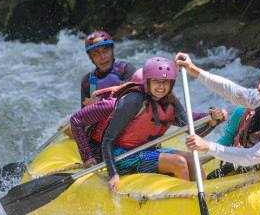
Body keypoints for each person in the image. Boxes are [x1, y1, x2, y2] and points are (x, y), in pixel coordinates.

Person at [69, 56, 225, 190]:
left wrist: (212, 121)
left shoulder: (170, 103)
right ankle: (182, 200)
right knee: (178, 162)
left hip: (146, 151)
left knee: (191, 159)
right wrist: (109, 171)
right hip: (121, 155)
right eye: (156, 82)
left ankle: (208, 196)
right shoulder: (131, 101)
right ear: (146, 82)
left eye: (166, 82)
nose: (161, 87)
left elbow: (193, 132)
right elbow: (106, 140)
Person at [176, 53, 260, 174]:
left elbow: (251, 156)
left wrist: (207, 146)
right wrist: (192, 69)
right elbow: (229, 90)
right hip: (257, 162)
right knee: (215, 176)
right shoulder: (258, 99)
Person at [80, 30, 136, 105]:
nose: (102, 57)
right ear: (90, 57)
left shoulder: (125, 69)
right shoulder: (87, 82)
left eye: (105, 50)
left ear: (112, 51)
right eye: (96, 53)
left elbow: (135, 100)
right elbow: (83, 114)